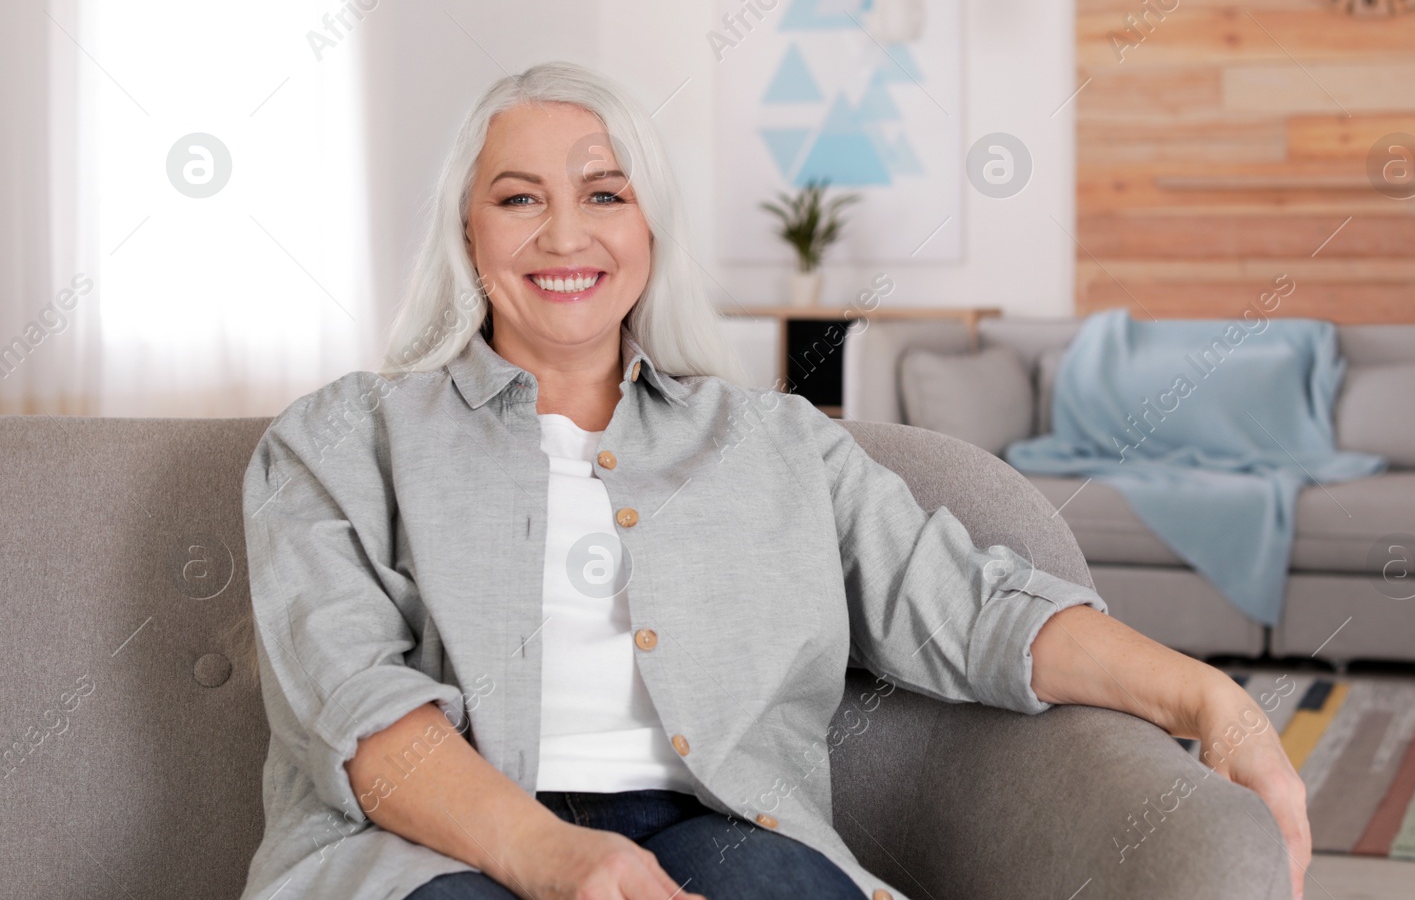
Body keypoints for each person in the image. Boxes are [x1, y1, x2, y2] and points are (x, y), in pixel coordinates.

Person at [237, 62, 1309, 900]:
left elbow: (973, 606)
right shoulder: (339, 440)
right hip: (429, 846)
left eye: (603, 193)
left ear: (649, 228)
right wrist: (563, 861)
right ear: (467, 233)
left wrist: (1212, 697)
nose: (565, 232)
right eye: (518, 198)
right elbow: (359, 711)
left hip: (719, 828)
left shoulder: (775, 442)